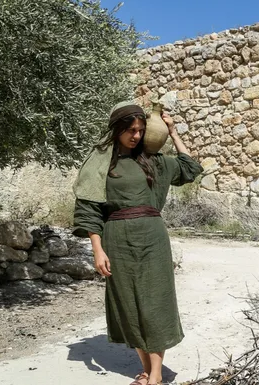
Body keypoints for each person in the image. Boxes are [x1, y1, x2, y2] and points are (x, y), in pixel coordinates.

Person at [72, 101, 203, 385]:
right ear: (117, 129)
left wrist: (173, 131)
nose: (136, 135)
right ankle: (145, 368)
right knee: (130, 305)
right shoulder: (101, 164)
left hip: (153, 238)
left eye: (141, 130)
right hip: (117, 239)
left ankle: (154, 375)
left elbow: (191, 169)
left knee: (155, 303)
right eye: (131, 129)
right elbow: (89, 210)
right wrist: (97, 249)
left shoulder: (154, 161)